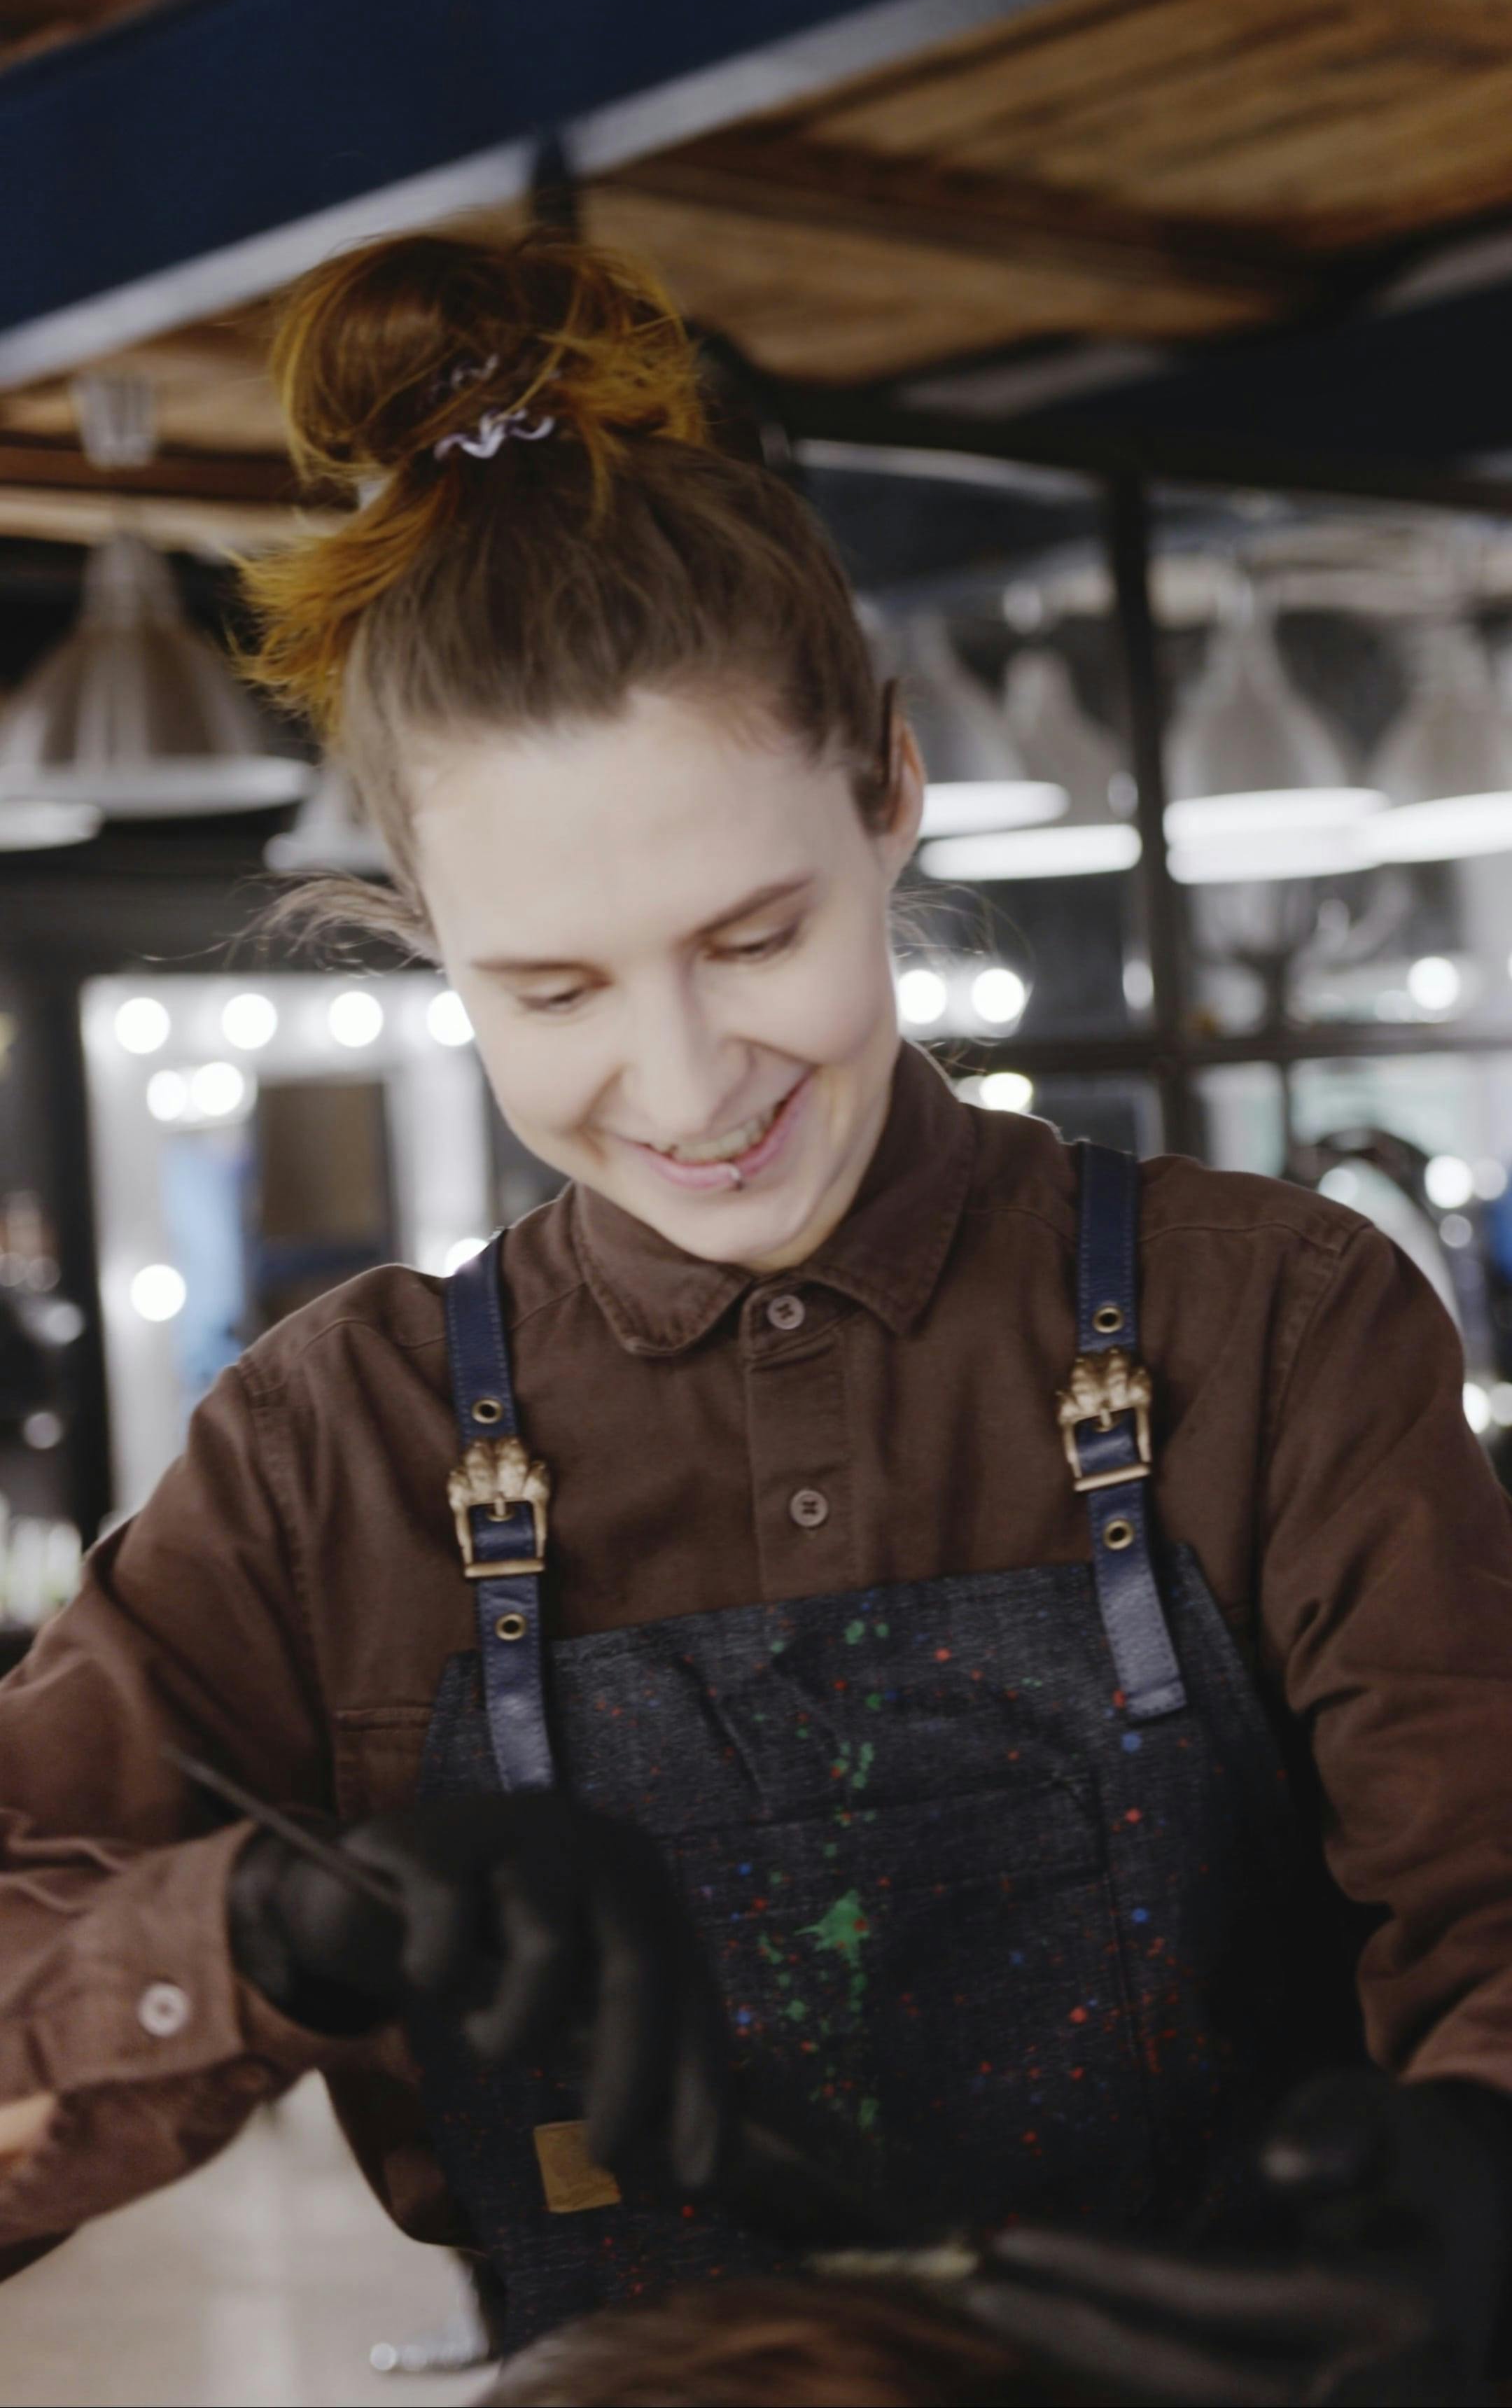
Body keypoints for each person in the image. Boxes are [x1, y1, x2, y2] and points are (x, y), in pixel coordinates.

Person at [3, 232, 1512, 2393]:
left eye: (754, 936)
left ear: (890, 794)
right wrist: (254, 1934)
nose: (689, 1082)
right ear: (426, 941)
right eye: (555, 990)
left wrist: (1483, 2176)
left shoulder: (1267, 1323)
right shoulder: (333, 1454)